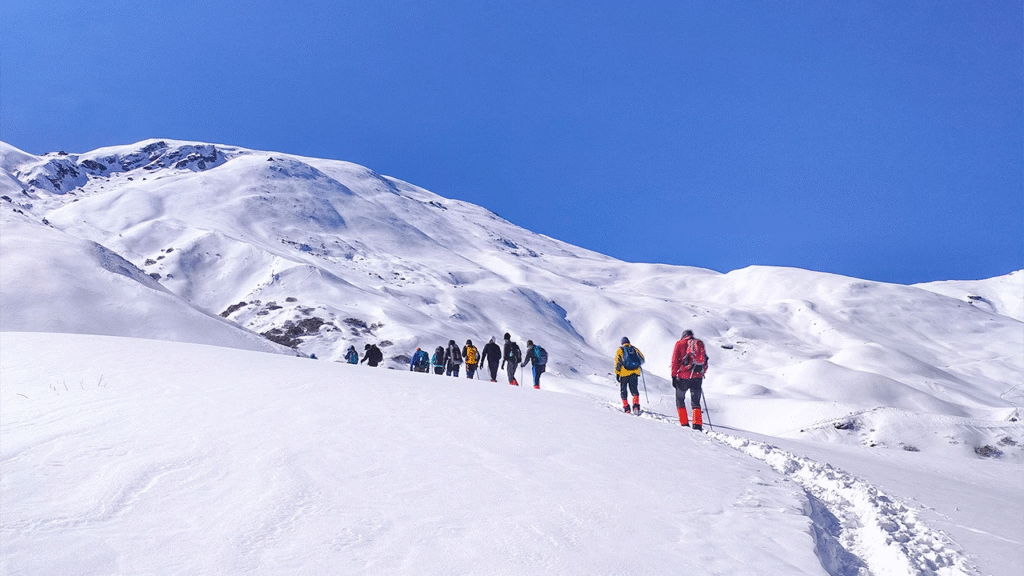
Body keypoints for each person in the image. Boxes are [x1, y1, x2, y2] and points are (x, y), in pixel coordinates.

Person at [671, 330, 708, 430]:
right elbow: (705, 360)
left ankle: (684, 424)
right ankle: (697, 425)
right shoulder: (699, 343)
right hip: (697, 376)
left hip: (683, 377)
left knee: (680, 399)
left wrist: (674, 376)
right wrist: (700, 373)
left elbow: (674, 361)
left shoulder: (679, 344)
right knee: (696, 402)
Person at [615, 337, 645, 414]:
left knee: (623, 390)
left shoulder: (620, 350)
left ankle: (626, 407)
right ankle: (636, 406)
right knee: (634, 390)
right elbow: (642, 359)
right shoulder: (635, 349)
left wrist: (617, 373)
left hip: (624, 373)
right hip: (634, 373)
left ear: (622, 343)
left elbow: (617, 363)